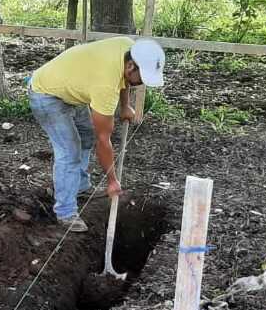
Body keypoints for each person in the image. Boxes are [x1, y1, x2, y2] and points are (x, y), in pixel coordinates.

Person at [27, 37, 165, 232]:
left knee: (87, 135)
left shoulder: (128, 47)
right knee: (70, 151)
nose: (142, 83)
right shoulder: (105, 86)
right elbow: (104, 141)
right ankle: (65, 212)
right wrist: (112, 181)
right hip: (46, 94)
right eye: (142, 78)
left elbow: (124, 80)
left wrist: (125, 106)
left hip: (70, 89)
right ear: (131, 66)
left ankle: (80, 186)